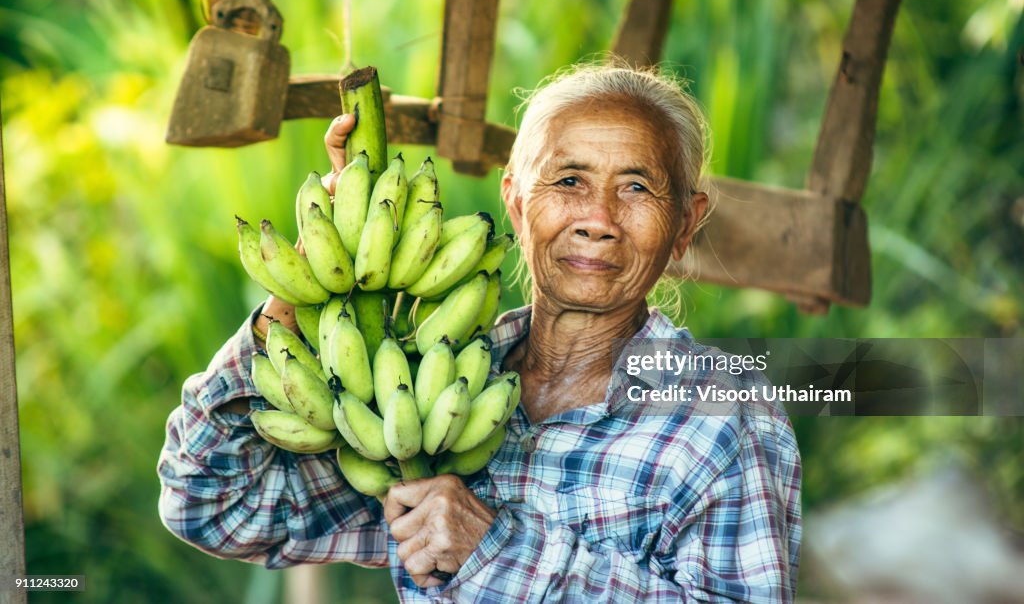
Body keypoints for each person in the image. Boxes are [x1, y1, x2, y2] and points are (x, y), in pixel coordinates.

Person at [158, 62, 802, 603]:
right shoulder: (429, 384)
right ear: (517, 201)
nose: (599, 219)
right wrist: (306, 279)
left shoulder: (725, 419)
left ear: (687, 223)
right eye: (569, 181)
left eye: (637, 187)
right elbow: (213, 505)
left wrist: (497, 551)